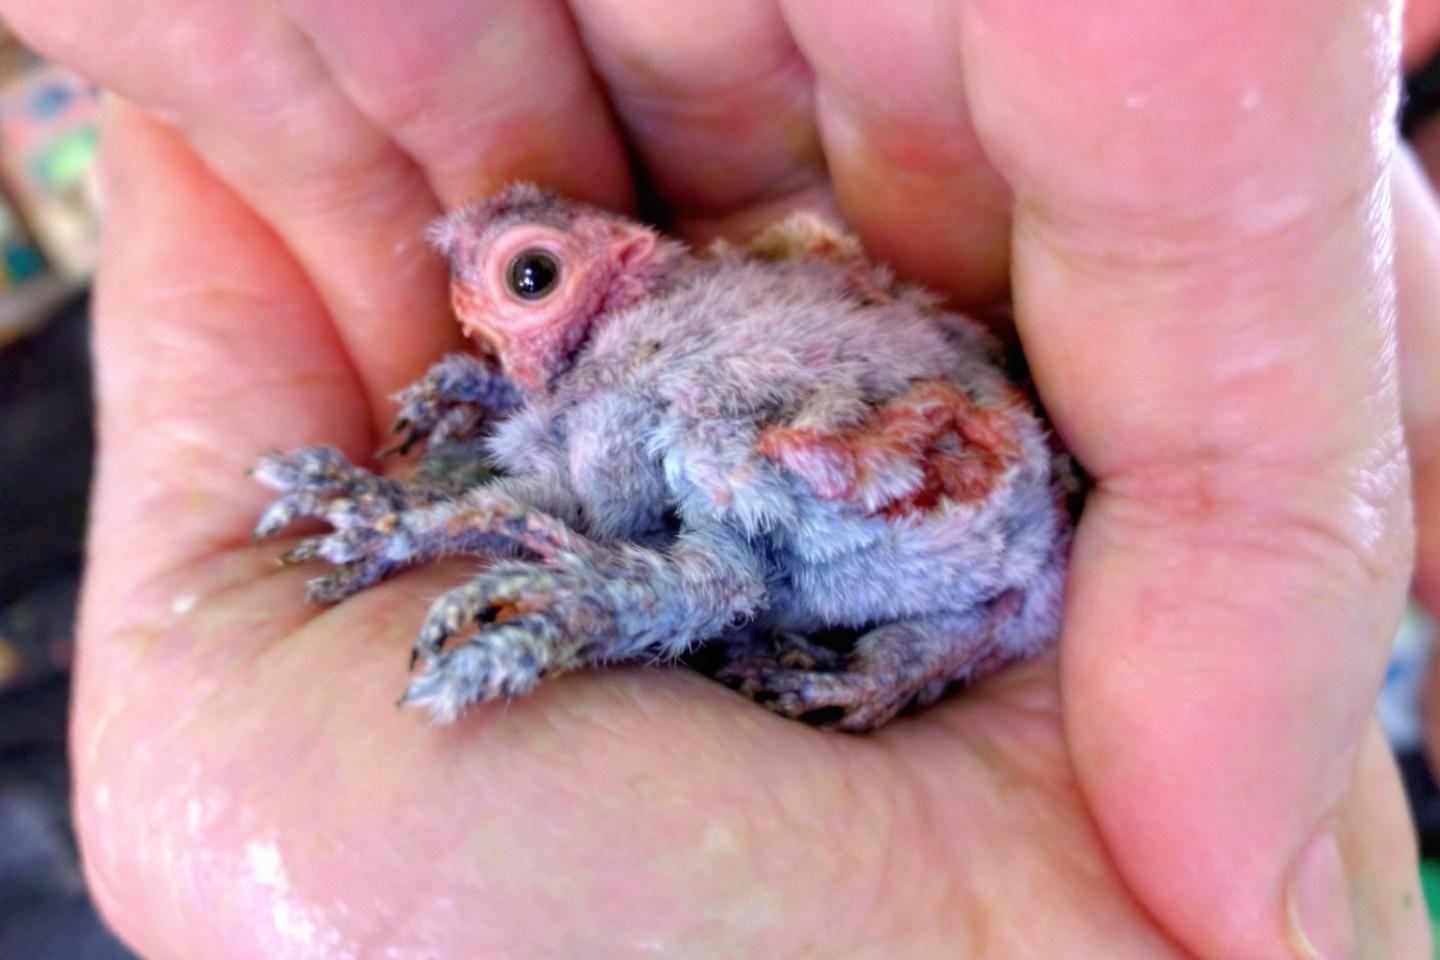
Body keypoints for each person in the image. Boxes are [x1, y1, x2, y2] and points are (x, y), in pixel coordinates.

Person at [4, 0, 1435, 956]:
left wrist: (834, 480)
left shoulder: (678, 390)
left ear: (620, 268)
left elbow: (700, 549)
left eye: (523, 279)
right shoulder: (601, 391)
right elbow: (577, 486)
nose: (491, 330)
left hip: (900, 524)